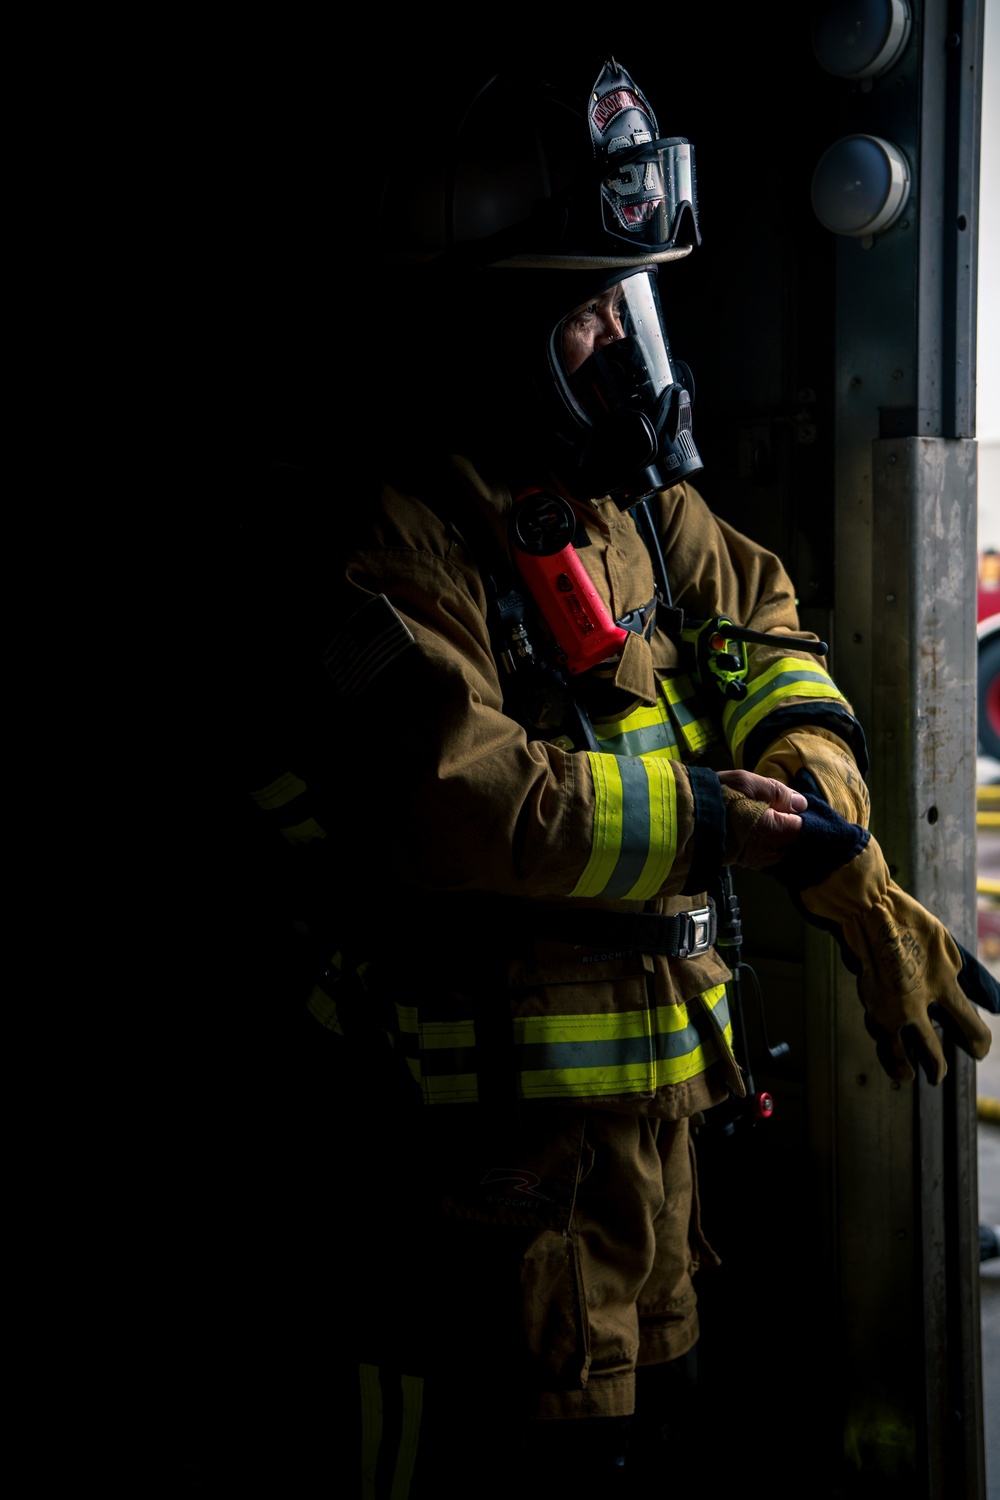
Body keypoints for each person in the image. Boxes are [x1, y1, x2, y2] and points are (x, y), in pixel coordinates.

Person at [237, 52, 998, 1496]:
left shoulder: (628, 507)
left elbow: (765, 625)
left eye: (628, 303)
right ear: (477, 329)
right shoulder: (384, 539)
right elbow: (465, 797)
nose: (629, 349)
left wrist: (818, 803)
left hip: (652, 1164)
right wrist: (732, 827)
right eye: (588, 309)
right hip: (479, 1176)